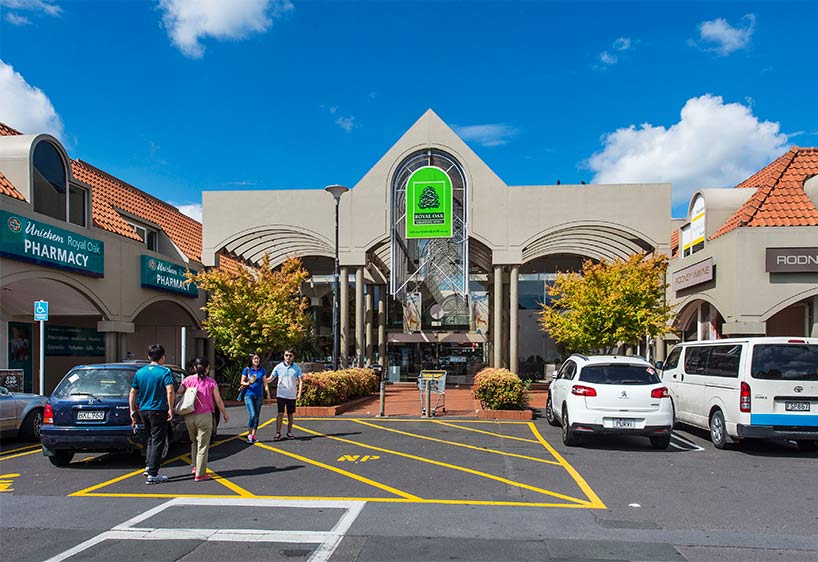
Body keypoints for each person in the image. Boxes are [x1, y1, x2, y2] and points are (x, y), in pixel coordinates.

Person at [129, 344, 175, 485]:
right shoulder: (165, 371)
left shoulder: (140, 372)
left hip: (143, 410)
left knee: (150, 439)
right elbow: (170, 391)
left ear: (149, 357)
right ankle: (153, 473)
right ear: (163, 357)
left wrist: (132, 410)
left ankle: (149, 466)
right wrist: (171, 409)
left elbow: (132, 393)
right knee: (158, 440)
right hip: (158, 409)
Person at [179, 357, 229, 482]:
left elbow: (179, 392)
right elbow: (218, 400)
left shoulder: (188, 380)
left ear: (194, 368)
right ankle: (200, 473)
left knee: (194, 442)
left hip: (189, 415)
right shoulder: (211, 382)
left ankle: (195, 467)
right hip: (205, 416)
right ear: (207, 368)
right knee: (203, 445)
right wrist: (224, 413)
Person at [271, 349, 303, 441]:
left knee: (290, 415)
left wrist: (299, 393)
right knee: (280, 413)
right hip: (281, 394)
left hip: (291, 395)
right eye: (286, 355)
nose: (288, 357)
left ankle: (289, 432)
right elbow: (271, 378)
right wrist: (261, 380)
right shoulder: (278, 367)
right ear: (284, 356)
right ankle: (278, 432)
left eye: (290, 355)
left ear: (293, 357)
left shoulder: (296, 368)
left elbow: (300, 381)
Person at [240, 353, 270, 443]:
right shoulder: (247, 370)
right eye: (255, 359)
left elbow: (265, 383)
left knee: (257, 416)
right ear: (251, 360)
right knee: (252, 415)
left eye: (258, 358)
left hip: (259, 395)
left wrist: (267, 393)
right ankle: (249, 434)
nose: (257, 360)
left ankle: (253, 435)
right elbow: (242, 382)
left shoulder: (262, 370)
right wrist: (249, 383)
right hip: (249, 395)